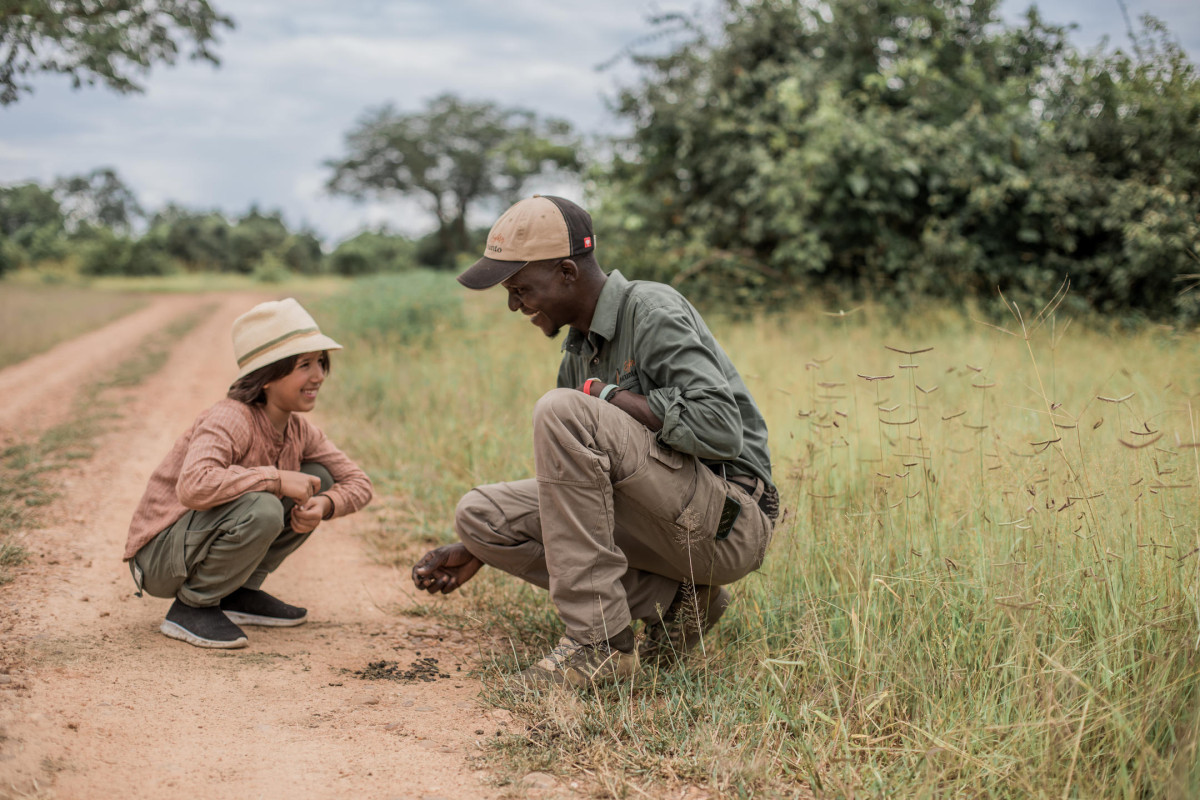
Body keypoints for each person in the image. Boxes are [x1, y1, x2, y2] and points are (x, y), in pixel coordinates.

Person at [411, 195, 778, 688]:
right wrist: (480, 548)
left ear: (567, 271)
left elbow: (720, 427)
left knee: (561, 408)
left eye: (522, 288)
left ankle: (599, 645)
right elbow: (576, 486)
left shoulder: (651, 308)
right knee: (481, 516)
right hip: (665, 524)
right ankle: (676, 601)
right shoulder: (579, 348)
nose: (514, 304)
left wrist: (609, 397)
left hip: (728, 523)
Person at [123, 298, 373, 649]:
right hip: (160, 558)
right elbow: (193, 486)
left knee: (320, 479)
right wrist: (276, 478)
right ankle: (192, 607)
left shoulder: (300, 430)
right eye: (304, 364)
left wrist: (326, 505)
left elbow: (359, 483)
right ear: (268, 376)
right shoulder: (230, 417)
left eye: (320, 362)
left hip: (191, 547)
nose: (318, 375)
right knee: (265, 505)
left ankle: (237, 591)